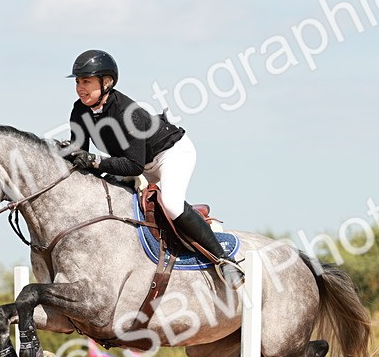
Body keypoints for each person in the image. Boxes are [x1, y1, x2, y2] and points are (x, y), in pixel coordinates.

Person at [60, 49, 244, 288]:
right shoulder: (80, 110)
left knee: (171, 204)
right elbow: (79, 153)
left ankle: (224, 260)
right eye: (77, 81)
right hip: (137, 162)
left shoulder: (128, 113)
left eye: (86, 81)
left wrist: (95, 161)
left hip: (171, 154)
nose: (80, 87)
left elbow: (133, 166)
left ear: (107, 82)